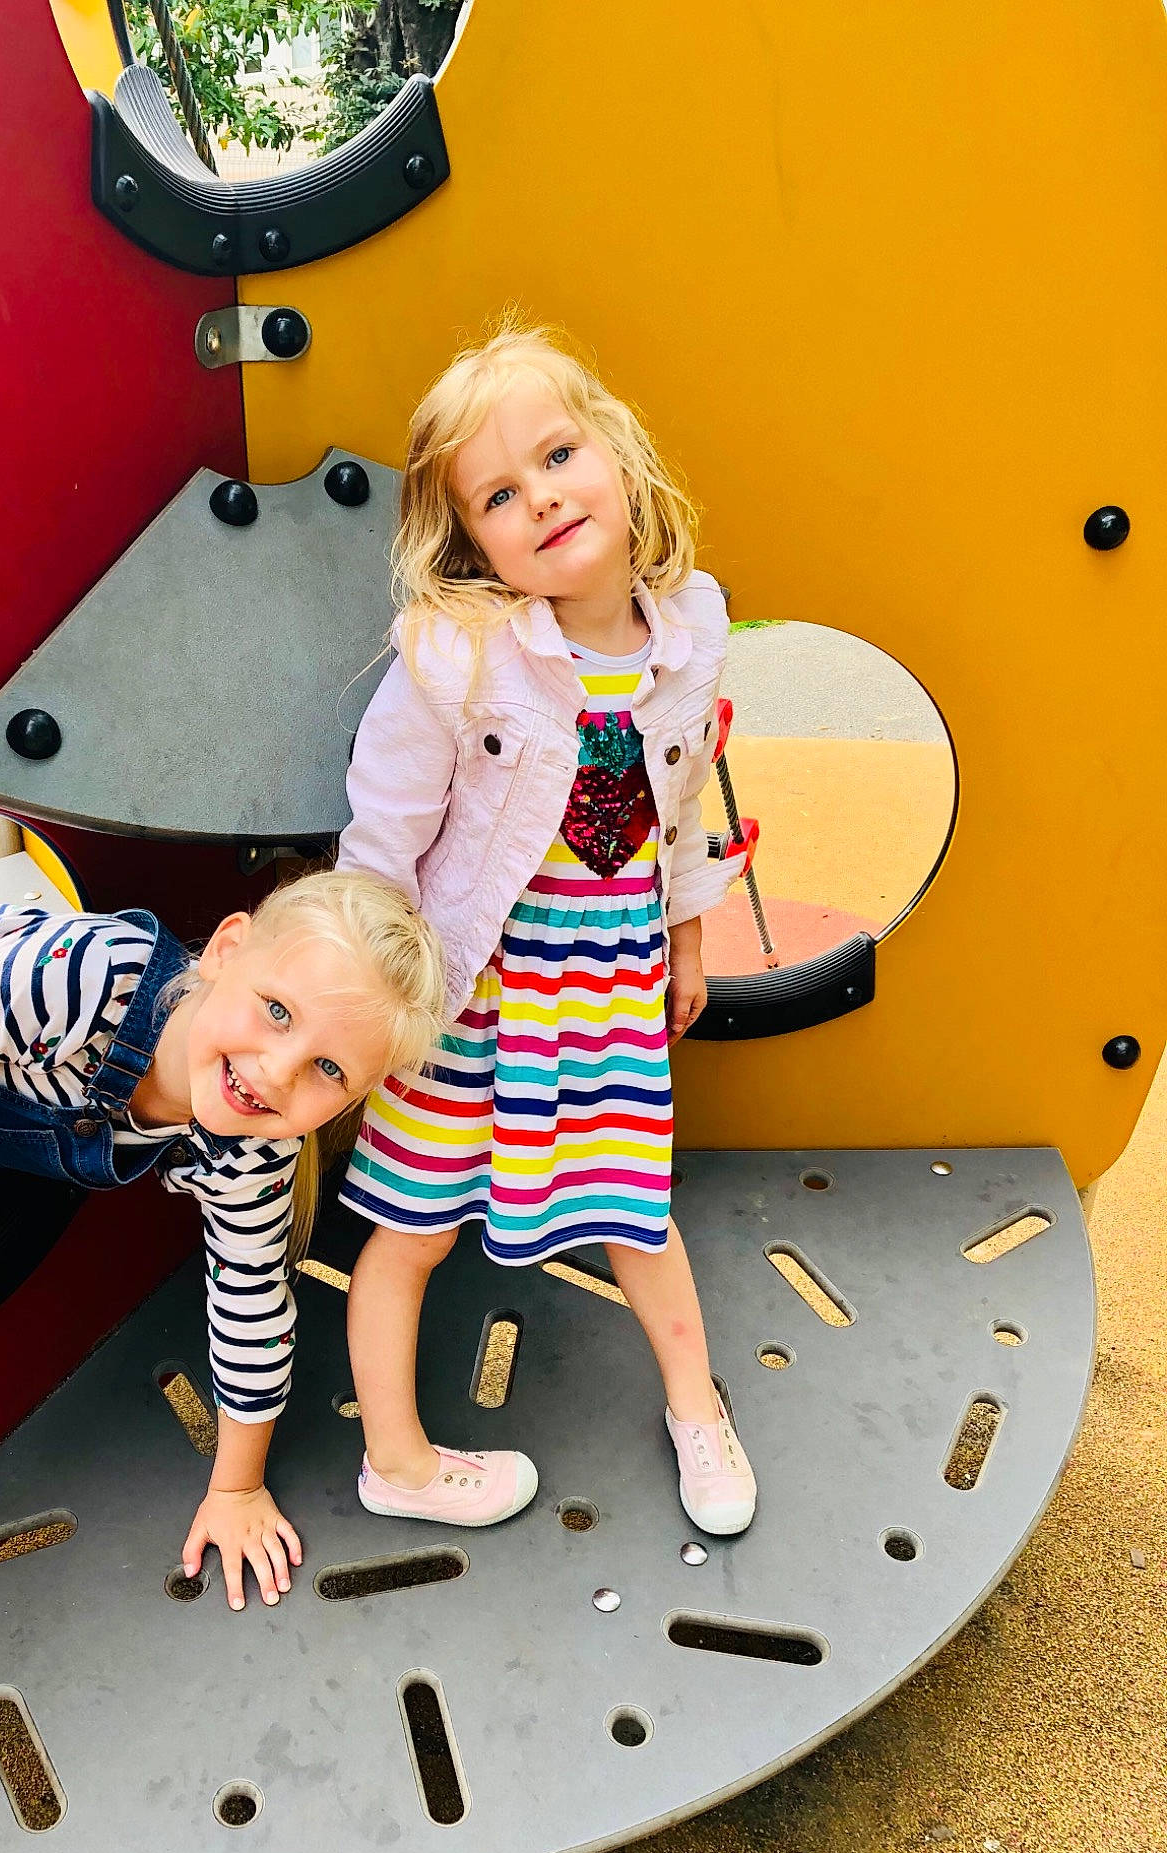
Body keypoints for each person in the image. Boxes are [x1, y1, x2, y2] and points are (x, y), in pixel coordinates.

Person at [0, 870, 448, 1608]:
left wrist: (237, 1488)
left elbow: (252, 1298)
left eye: (328, 1069)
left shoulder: (253, 1147)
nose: (276, 1073)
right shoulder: (84, 980)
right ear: (226, 951)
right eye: (276, 1011)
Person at [336, 322, 757, 1537]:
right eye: (500, 495)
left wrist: (684, 941)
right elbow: (384, 835)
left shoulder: (695, 630)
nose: (543, 498)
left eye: (559, 454)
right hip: (475, 986)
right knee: (410, 1219)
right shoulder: (459, 658)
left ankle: (696, 1404)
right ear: (475, 542)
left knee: (635, 1200)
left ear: (615, 454)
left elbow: (678, 804)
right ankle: (400, 1457)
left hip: (609, 983)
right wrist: (372, 992)